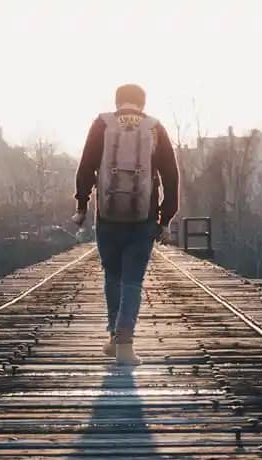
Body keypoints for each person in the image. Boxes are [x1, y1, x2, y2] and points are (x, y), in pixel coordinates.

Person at [69, 84, 180, 366]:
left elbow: (85, 167)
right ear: (142, 104)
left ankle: (114, 337)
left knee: (113, 276)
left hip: (107, 216)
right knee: (132, 280)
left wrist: (82, 206)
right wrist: (165, 219)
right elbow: (171, 175)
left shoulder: (102, 124)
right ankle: (124, 343)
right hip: (143, 218)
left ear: (118, 102)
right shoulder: (155, 128)